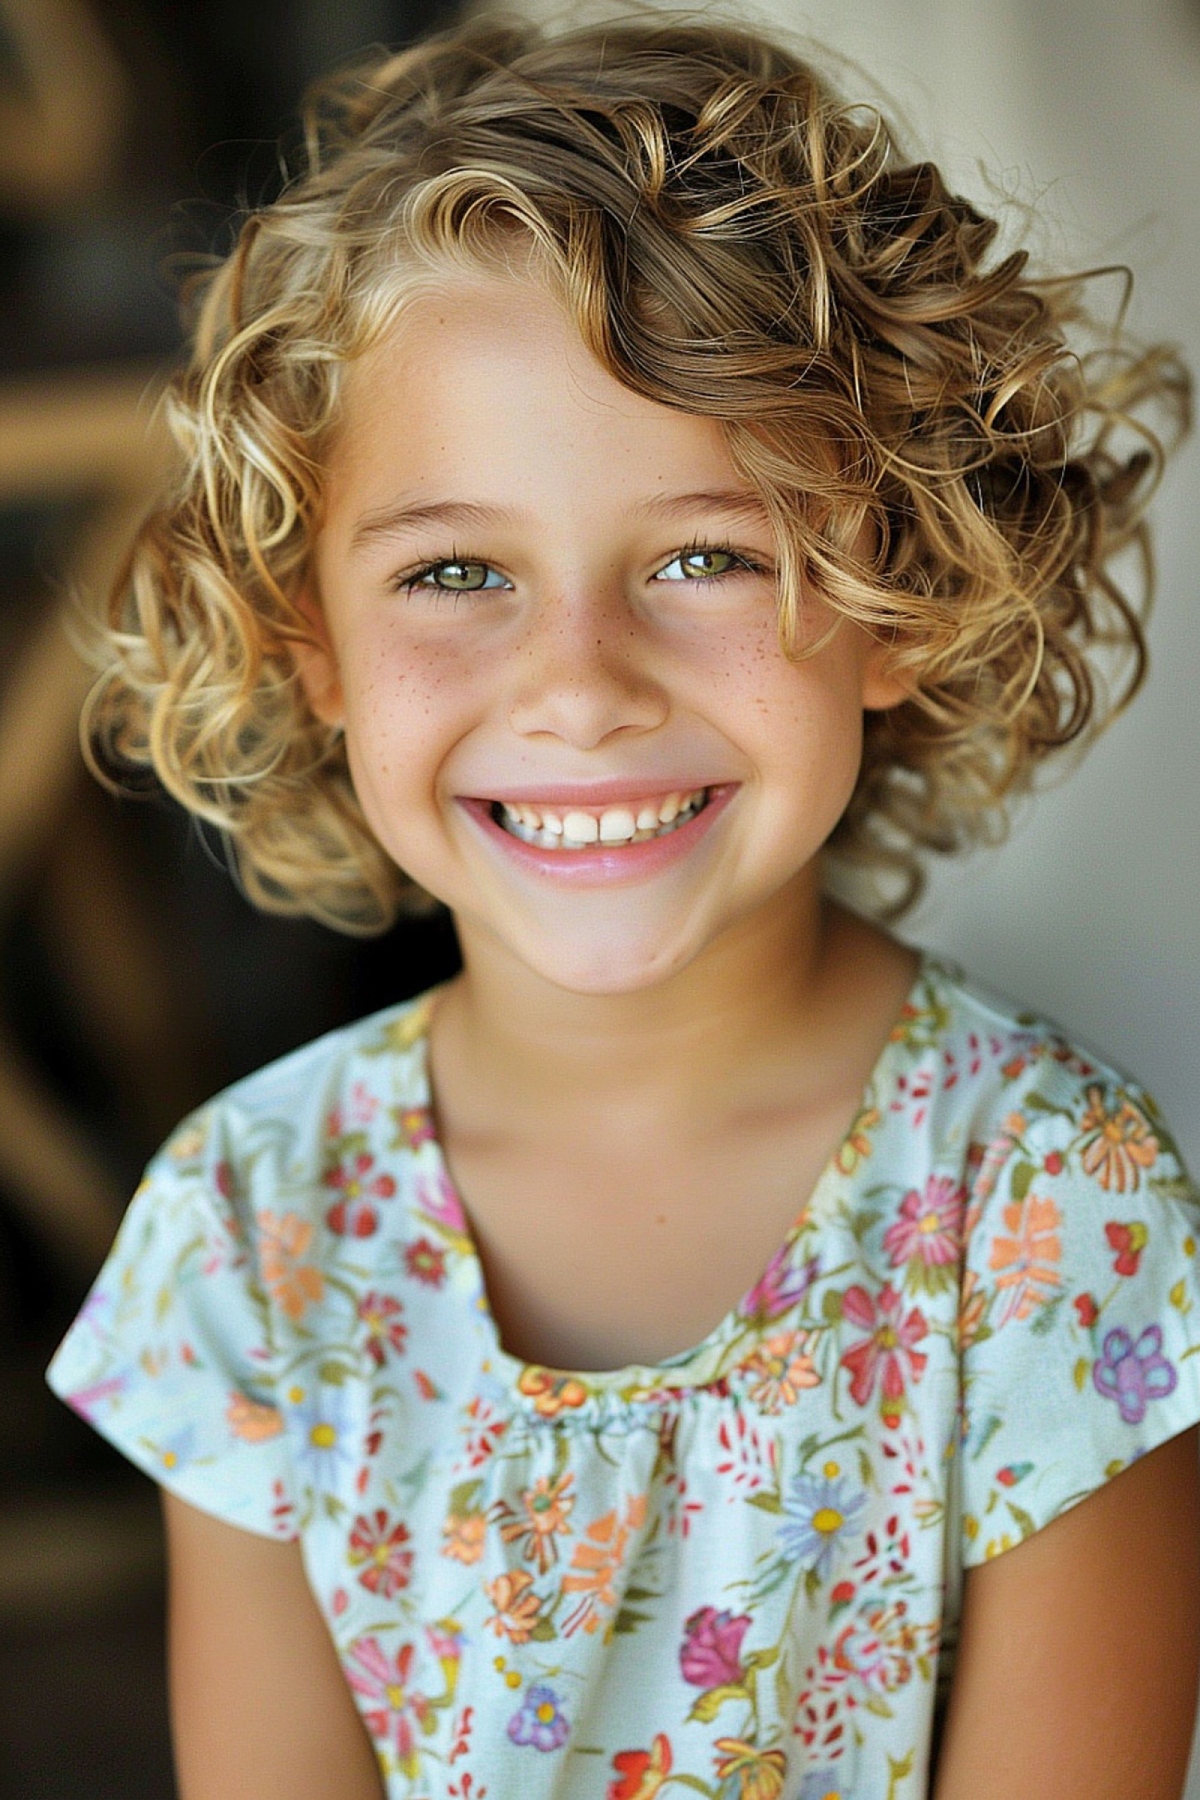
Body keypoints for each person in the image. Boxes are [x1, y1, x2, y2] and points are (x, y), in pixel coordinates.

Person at [46, 13, 1200, 1799]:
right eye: (452, 572)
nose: (577, 685)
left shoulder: (1052, 1205)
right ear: (314, 648)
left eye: (703, 557)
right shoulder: (250, 1232)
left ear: (898, 593)